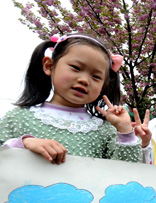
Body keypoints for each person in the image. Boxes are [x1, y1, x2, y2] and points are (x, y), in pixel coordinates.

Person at [0, 34, 142, 163]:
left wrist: (125, 131)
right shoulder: (18, 117)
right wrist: (23, 143)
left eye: (96, 77)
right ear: (49, 66)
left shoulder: (105, 130)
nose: (84, 80)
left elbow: (126, 172)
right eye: (75, 67)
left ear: (103, 86)